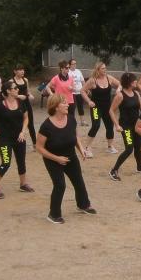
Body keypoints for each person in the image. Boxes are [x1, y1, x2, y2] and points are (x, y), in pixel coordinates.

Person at [36, 93, 95, 224]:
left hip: (70, 156)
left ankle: (83, 205)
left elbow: (75, 136)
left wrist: (81, 150)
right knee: (60, 185)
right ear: (56, 107)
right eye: (64, 103)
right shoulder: (46, 126)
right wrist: (56, 158)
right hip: (53, 160)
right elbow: (39, 147)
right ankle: (53, 214)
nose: (67, 104)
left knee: (78, 181)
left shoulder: (71, 119)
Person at [0, 80, 34, 198]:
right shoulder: (0, 106)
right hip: (5, 139)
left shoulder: (20, 103)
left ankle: (23, 184)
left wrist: (23, 131)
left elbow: (26, 118)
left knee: (21, 161)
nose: (18, 90)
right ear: (8, 91)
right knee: (6, 163)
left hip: (19, 138)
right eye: (15, 88)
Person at [108, 72, 141, 180]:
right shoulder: (120, 95)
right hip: (126, 126)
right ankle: (114, 170)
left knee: (138, 146)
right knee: (129, 148)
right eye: (134, 80)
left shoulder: (136, 93)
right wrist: (116, 125)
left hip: (136, 125)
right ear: (129, 82)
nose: (136, 82)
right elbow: (111, 110)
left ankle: (140, 166)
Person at [82, 61, 121, 157]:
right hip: (96, 108)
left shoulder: (109, 78)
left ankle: (110, 146)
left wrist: (118, 89)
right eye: (103, 68)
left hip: (107, 107)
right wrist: (89, 101)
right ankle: (87, 148)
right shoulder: (93, 80)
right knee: (96, 125)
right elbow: (82, 91)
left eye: (105, 68)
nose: (105, 70)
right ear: (98, 70)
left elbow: (120, 84)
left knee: (110, 125)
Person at [11, 65, 36, 141]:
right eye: (20, 70)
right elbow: (10, 95)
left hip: (26, 103)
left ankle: (34, 142)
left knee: (30, 124)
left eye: (23, 70)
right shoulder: (11, 81)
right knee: (19, 124)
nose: (22, 71)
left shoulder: (25, 80)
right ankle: (18, 140)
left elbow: (27, 91)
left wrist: (30, 95)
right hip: (17, 104)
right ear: (15, 71)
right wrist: (18, 96)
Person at [68, 58, 87, 126]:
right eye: (73, 64)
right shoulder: (68, 72)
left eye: (75, 64)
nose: (74, 65)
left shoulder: (78, 71)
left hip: (79, 92)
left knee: (80, 107)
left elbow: (82, 81)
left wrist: (86, 89)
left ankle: (82, 121)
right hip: (72, 93)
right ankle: (72, 121)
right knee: (72, 107)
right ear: (70, 65)